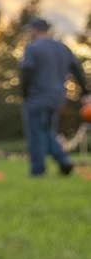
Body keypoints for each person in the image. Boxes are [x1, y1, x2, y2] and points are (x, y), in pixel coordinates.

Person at [18, 17, 86, 178]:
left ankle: (37, 170)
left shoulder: (33, 48)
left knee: (35, 132)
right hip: (57, 97)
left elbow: (26, 70)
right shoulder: (62, 48)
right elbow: (77, 70)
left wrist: (24, 93)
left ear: (35, 30)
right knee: (47, 130)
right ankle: (63, 161)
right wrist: (85, 92)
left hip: (37, 96)